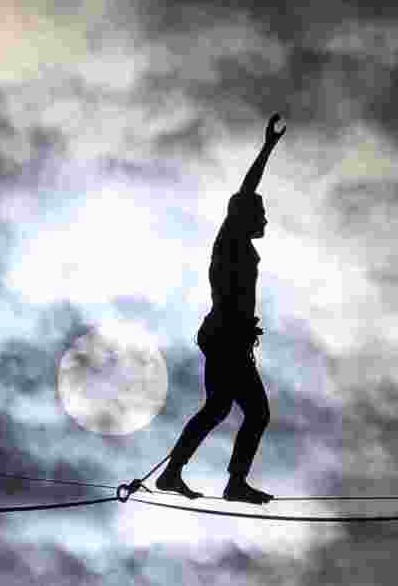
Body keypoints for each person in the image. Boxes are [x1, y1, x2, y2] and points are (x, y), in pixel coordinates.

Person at [156, 113, 287, 504]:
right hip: (225, 337)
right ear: (244, 217)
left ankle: (173, 473)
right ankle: (233, 482)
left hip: (225, 335)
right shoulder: (231, 237)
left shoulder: (242, 246)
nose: (265, 219)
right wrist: (267, 148)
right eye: (260, 214)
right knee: (256, 413)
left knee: (217, 408)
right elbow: (247, 188)